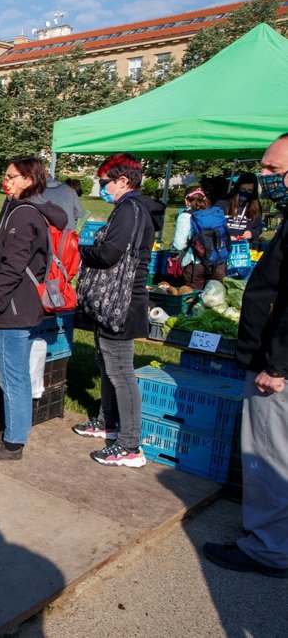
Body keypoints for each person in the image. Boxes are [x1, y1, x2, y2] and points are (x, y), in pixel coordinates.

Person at [203, 133, 288, 579]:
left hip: (276, 371)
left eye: (274, 171)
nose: (264, 178)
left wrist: (277, 366)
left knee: (271, 458)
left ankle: (269, 549)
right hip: (273, 361)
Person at [72, 153, 165, 467]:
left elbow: (110, 253)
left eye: (104, 183)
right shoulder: (130, 209)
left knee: (122, 373)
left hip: (122, 304)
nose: (102, 188)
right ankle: (108, 421)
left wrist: (79, 250)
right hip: (115, 302)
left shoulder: (130, 209)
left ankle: (129, 444)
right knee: (107, 364)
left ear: (123, 181)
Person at [0, 157, 68, 461]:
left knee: (12, 376)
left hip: (14, 309)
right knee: (15, 374)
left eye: (12, 176)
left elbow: (11, 270)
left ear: (28, 179)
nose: (7, 180)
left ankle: (13, 444)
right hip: (22, 306)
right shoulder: (26, 210)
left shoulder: (24, 216)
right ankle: (14, 430)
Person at [171, 187, 227, 289]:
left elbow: (179, 245)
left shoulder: (185, 216)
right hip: (218, 263)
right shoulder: (216, 214)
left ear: (186, 201)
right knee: (214, 299)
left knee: (192, 299)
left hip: (195, 264)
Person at [224, 173, 263, 247]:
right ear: (237, 188)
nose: (245, 192)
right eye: (242, 189)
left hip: (244, 248)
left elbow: (258, 228)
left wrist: (252, 233)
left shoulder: (255, 205)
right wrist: (225, 237)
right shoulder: (224, 203)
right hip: (224, 247)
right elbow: (214, 227)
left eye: (250, 190)